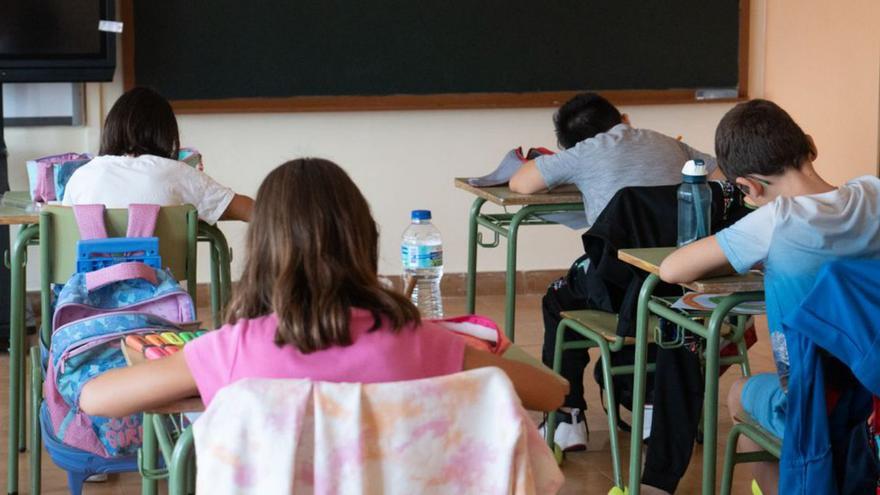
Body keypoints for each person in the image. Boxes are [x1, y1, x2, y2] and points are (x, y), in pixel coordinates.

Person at [80, 158, 568, 418]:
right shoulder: (423, 343)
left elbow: (94, 399)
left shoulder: (231, 351)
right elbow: (552, 394)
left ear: (263, 250)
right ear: (364, 239)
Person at [655, 99, 880, 494]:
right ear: (810, 146)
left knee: (741, 402)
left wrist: (754, 255)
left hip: (816, 405)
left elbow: (674, 269)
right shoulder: (873, 193)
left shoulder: (774, 221)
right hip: (872, 394)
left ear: (749, 187)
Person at [509, 92, 720, 450]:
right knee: (653, 311)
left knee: (557, 300)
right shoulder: (667, 143)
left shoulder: (585, 151)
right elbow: (720, 172)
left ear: (571, 142)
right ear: (623, 118)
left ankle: (567, 417)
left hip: (618, 289)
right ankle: (653, 407)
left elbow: (521, 183)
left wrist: (563, 160)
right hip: (681, 288)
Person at [63, 86, 253, 224]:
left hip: (89, 279)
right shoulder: (177, 173)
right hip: (161, 278)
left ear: (111, 129)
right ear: (165, 132)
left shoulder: (81, 176)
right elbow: (249, 211)